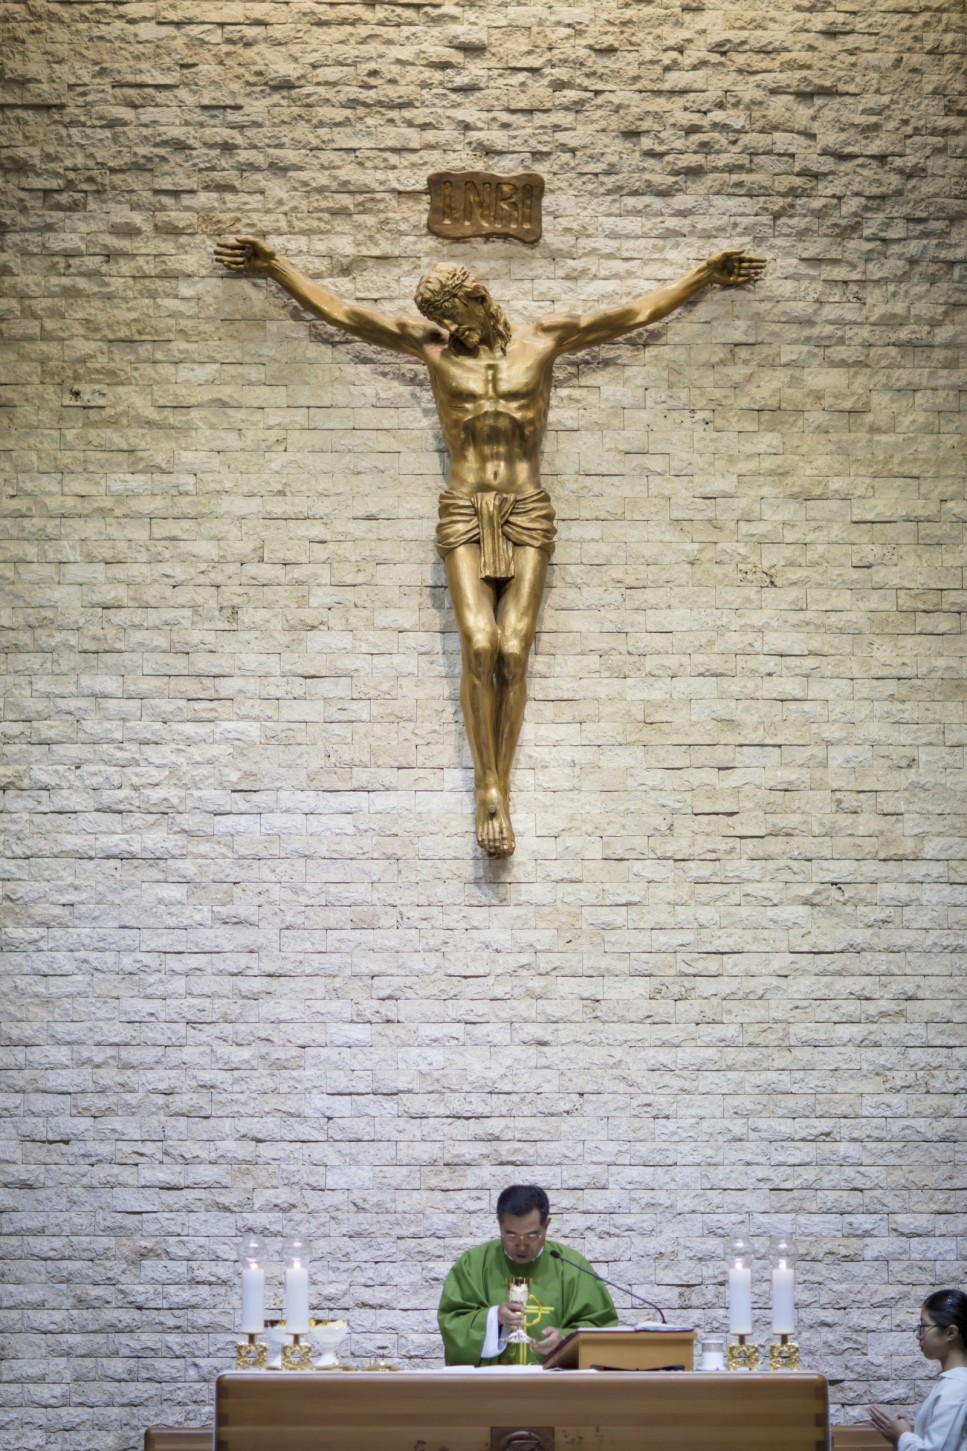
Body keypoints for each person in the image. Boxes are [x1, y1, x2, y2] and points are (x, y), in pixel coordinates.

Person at [213, 235, 765, 858]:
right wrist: (277, 266)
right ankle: (489, 788)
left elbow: (632, 315)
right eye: (441, 321)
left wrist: (703, 276)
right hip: (464, 509)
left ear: (478, 298)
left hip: (526, 507)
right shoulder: (431, 348)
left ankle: (504, 779)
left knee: (514, 651)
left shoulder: (545, 341)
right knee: (479, 645)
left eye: (455, 315)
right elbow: (344, 314)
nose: (452, 330)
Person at [436, 1183, 618, 1365]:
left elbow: (601, 1326)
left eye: (532, 1235)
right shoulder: (472, 1264)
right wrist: (494, 1318)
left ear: (546, 1225)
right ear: (499, 1224)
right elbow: (453, 1324)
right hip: (492, 1382)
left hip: (553, 1381)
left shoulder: (572, 1267)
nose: (521, 1245)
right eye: (511, 1235)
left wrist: (564, 1339)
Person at [869, 1289, 967, 1451]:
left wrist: (902, 1436)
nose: (918, 1335)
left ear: (950, 1332)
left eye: (923, 1326)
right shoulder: (952, 1384)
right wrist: (908, 1434)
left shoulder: (957, 1388)